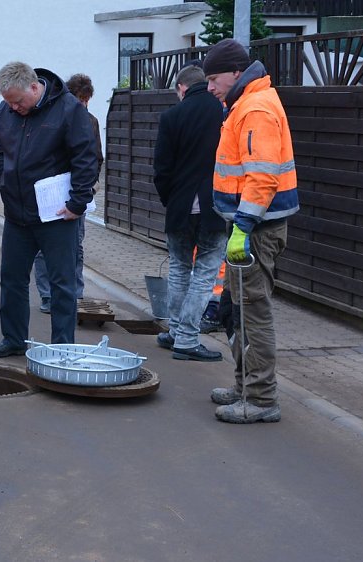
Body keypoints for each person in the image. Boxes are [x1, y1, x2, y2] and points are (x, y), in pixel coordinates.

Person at [203, 39, 299, 423]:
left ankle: (260, 399)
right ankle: (245, 387)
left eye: (214, 78)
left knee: (252, 313)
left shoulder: (256, 108)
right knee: (239, 310)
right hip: (252, 226)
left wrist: (243, 225)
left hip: (257, 228)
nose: (209, 87)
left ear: (236, 73)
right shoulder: (246, 104)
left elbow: (262, 176)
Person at [0, 62, 98, 357]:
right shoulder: (7, 109)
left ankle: (62, 346)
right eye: (8, 102)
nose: (14, 107)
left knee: (62, 283)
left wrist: (77, 202)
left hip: (57, 215)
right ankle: (13, 340)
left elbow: (85, 158)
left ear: (34, 88)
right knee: (12, 279)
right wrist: (2, 179)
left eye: (18, 101)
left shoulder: (69, 109)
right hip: (16, 212)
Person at [152, 64, 226, 361]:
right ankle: (186, 338)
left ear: (181, 88)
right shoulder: (223, 111)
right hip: (214, 208)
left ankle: (174, 332)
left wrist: (172, 200)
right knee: (204, 274)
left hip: (180, 209)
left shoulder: (171, 116)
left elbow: (161, 170)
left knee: (180, 270)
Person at [33, 72, 104, 314]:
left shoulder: (91, 121)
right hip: (52, 191)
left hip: (78, 192)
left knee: (76, 245)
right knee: (45, 246)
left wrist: (91, 185)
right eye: (79, 99)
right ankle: (47, 294)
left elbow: (96, 157)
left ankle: (76, 294)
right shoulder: (53, 117)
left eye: (86, 100)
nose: (82, 105)